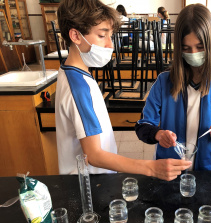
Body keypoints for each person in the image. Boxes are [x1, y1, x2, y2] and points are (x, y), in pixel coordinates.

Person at [55, 0, 191, 180]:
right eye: (102, 36)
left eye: (111, 36)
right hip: (89, 182)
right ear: (75, 35)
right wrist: (150, 168)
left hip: (95, 176)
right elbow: (93, 155)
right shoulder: (79, 88)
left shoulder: (73, 71)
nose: (110, 45)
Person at [136, 4, 211, 171]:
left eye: (200, 47)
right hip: (168, 167)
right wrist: (158, 134)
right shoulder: (164, 82)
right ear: (179, 48)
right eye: (186, 48)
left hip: (207, 168)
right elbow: (143, 125)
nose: (193, 53)